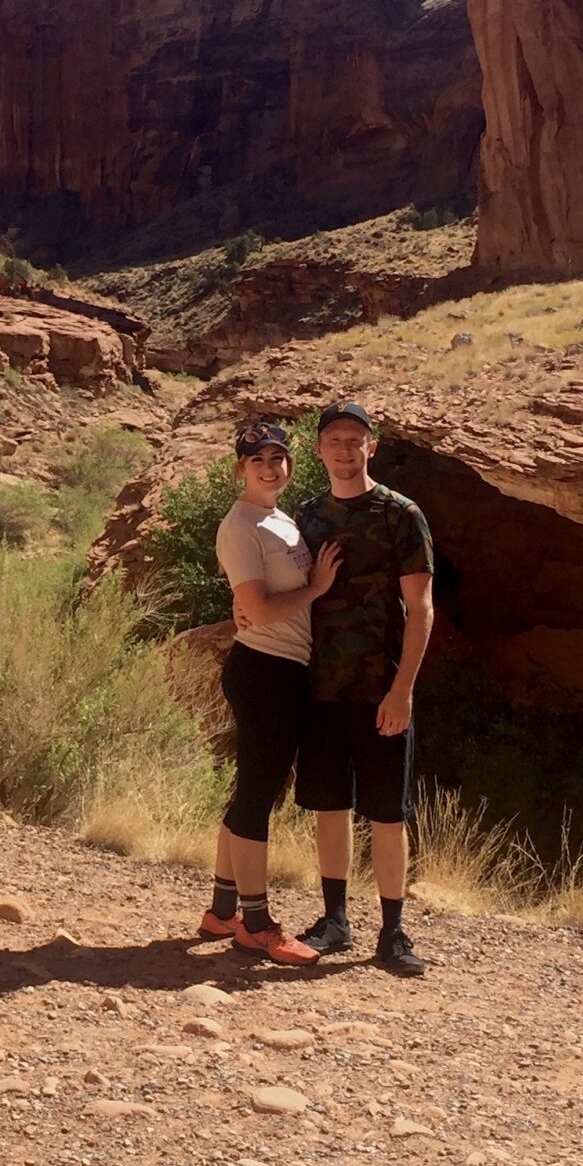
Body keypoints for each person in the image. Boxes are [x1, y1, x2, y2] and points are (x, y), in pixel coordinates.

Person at [291, 400, 434, 977]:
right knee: (329, 805)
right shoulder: (306, 517)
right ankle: (334, 921)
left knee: (386, 814)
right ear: (320, 449)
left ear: (371, 447)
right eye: (334, 440)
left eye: (355, 440)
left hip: (381, 689)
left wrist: (402, 691)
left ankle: (394, 932)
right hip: (320, 688)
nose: (344, 450)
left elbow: (421, 609)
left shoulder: (400, 514)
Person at [198, 421, 340, 963]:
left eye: (277, 457)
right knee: (258, 795)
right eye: (257, 459)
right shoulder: (241, 526)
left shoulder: (280, 518)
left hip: (281, 668)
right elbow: (255, 610)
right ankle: (256, 924)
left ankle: (221, 911)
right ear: (240, 468)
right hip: (264, 670)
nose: (269, 466)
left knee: (252, 789)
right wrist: (318, 589)